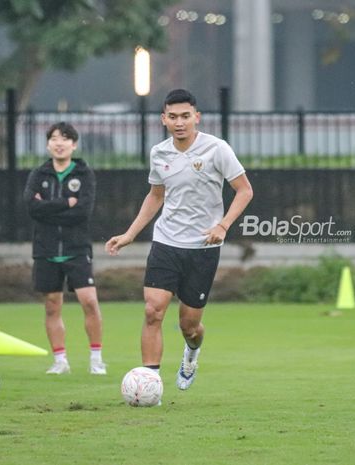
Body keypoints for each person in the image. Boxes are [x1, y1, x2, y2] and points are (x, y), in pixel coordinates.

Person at [105, 89, 253, 392]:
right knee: (153, 310)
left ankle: (192, 352)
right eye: (173, 117)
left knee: (189, 325)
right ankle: (150, 384)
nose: (180, 122)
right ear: (164, 119)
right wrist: (130, 234)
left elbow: (245, 190)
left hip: (203, 247)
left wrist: (223, 226)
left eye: (186, 116)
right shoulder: (159, 153)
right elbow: (155, 196)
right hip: (166, 242)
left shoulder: (217, 149)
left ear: (196, 117)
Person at [24, 122, 106, 375]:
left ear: (74, 144)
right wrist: (65, 203)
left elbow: (82, 212)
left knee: (89, 301)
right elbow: (31, 208)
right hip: (46, 249)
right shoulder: (39, 174)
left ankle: (96, 359)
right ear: (48, 144)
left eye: (65, 138)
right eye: (54, 138)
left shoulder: (83, 174)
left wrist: (49, 206)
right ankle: (60, 361)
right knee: (52, 305)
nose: (59, 143)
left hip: (77, 248)